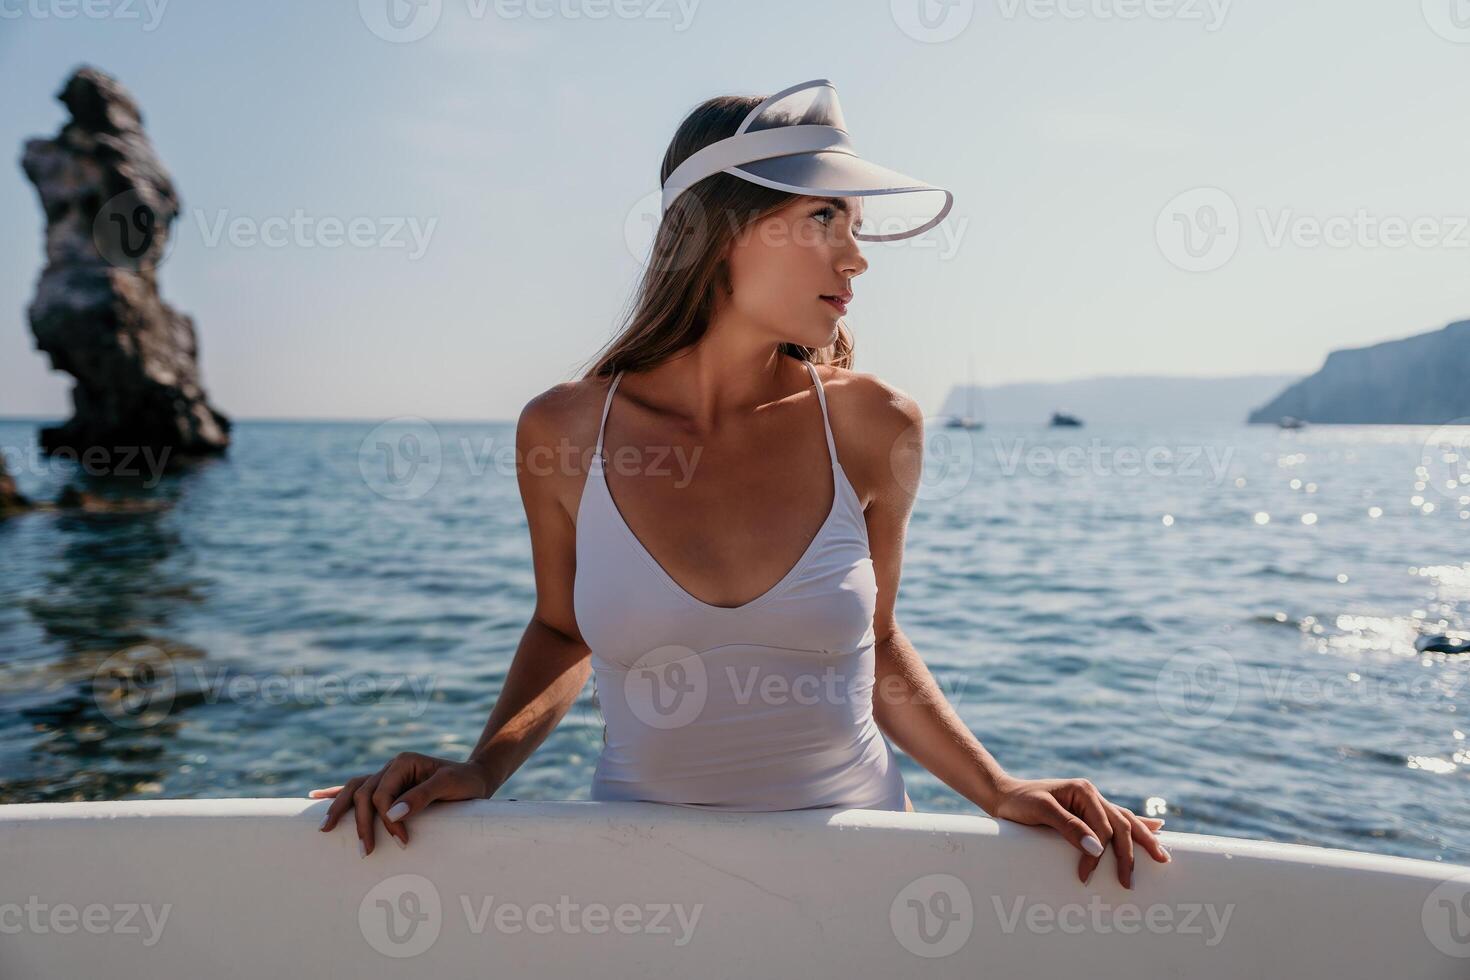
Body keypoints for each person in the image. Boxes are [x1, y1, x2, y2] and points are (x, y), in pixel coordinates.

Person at [312, 79, 1169, 889]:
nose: (857, 259)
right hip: (642, 875)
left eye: (857, 224)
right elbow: (560, 627)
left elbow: (878, 645)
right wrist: (483, 766)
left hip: (863, 866)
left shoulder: (875, 427)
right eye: (824, 217)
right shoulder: (565, 432)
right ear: (724, 228)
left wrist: (996, 787)